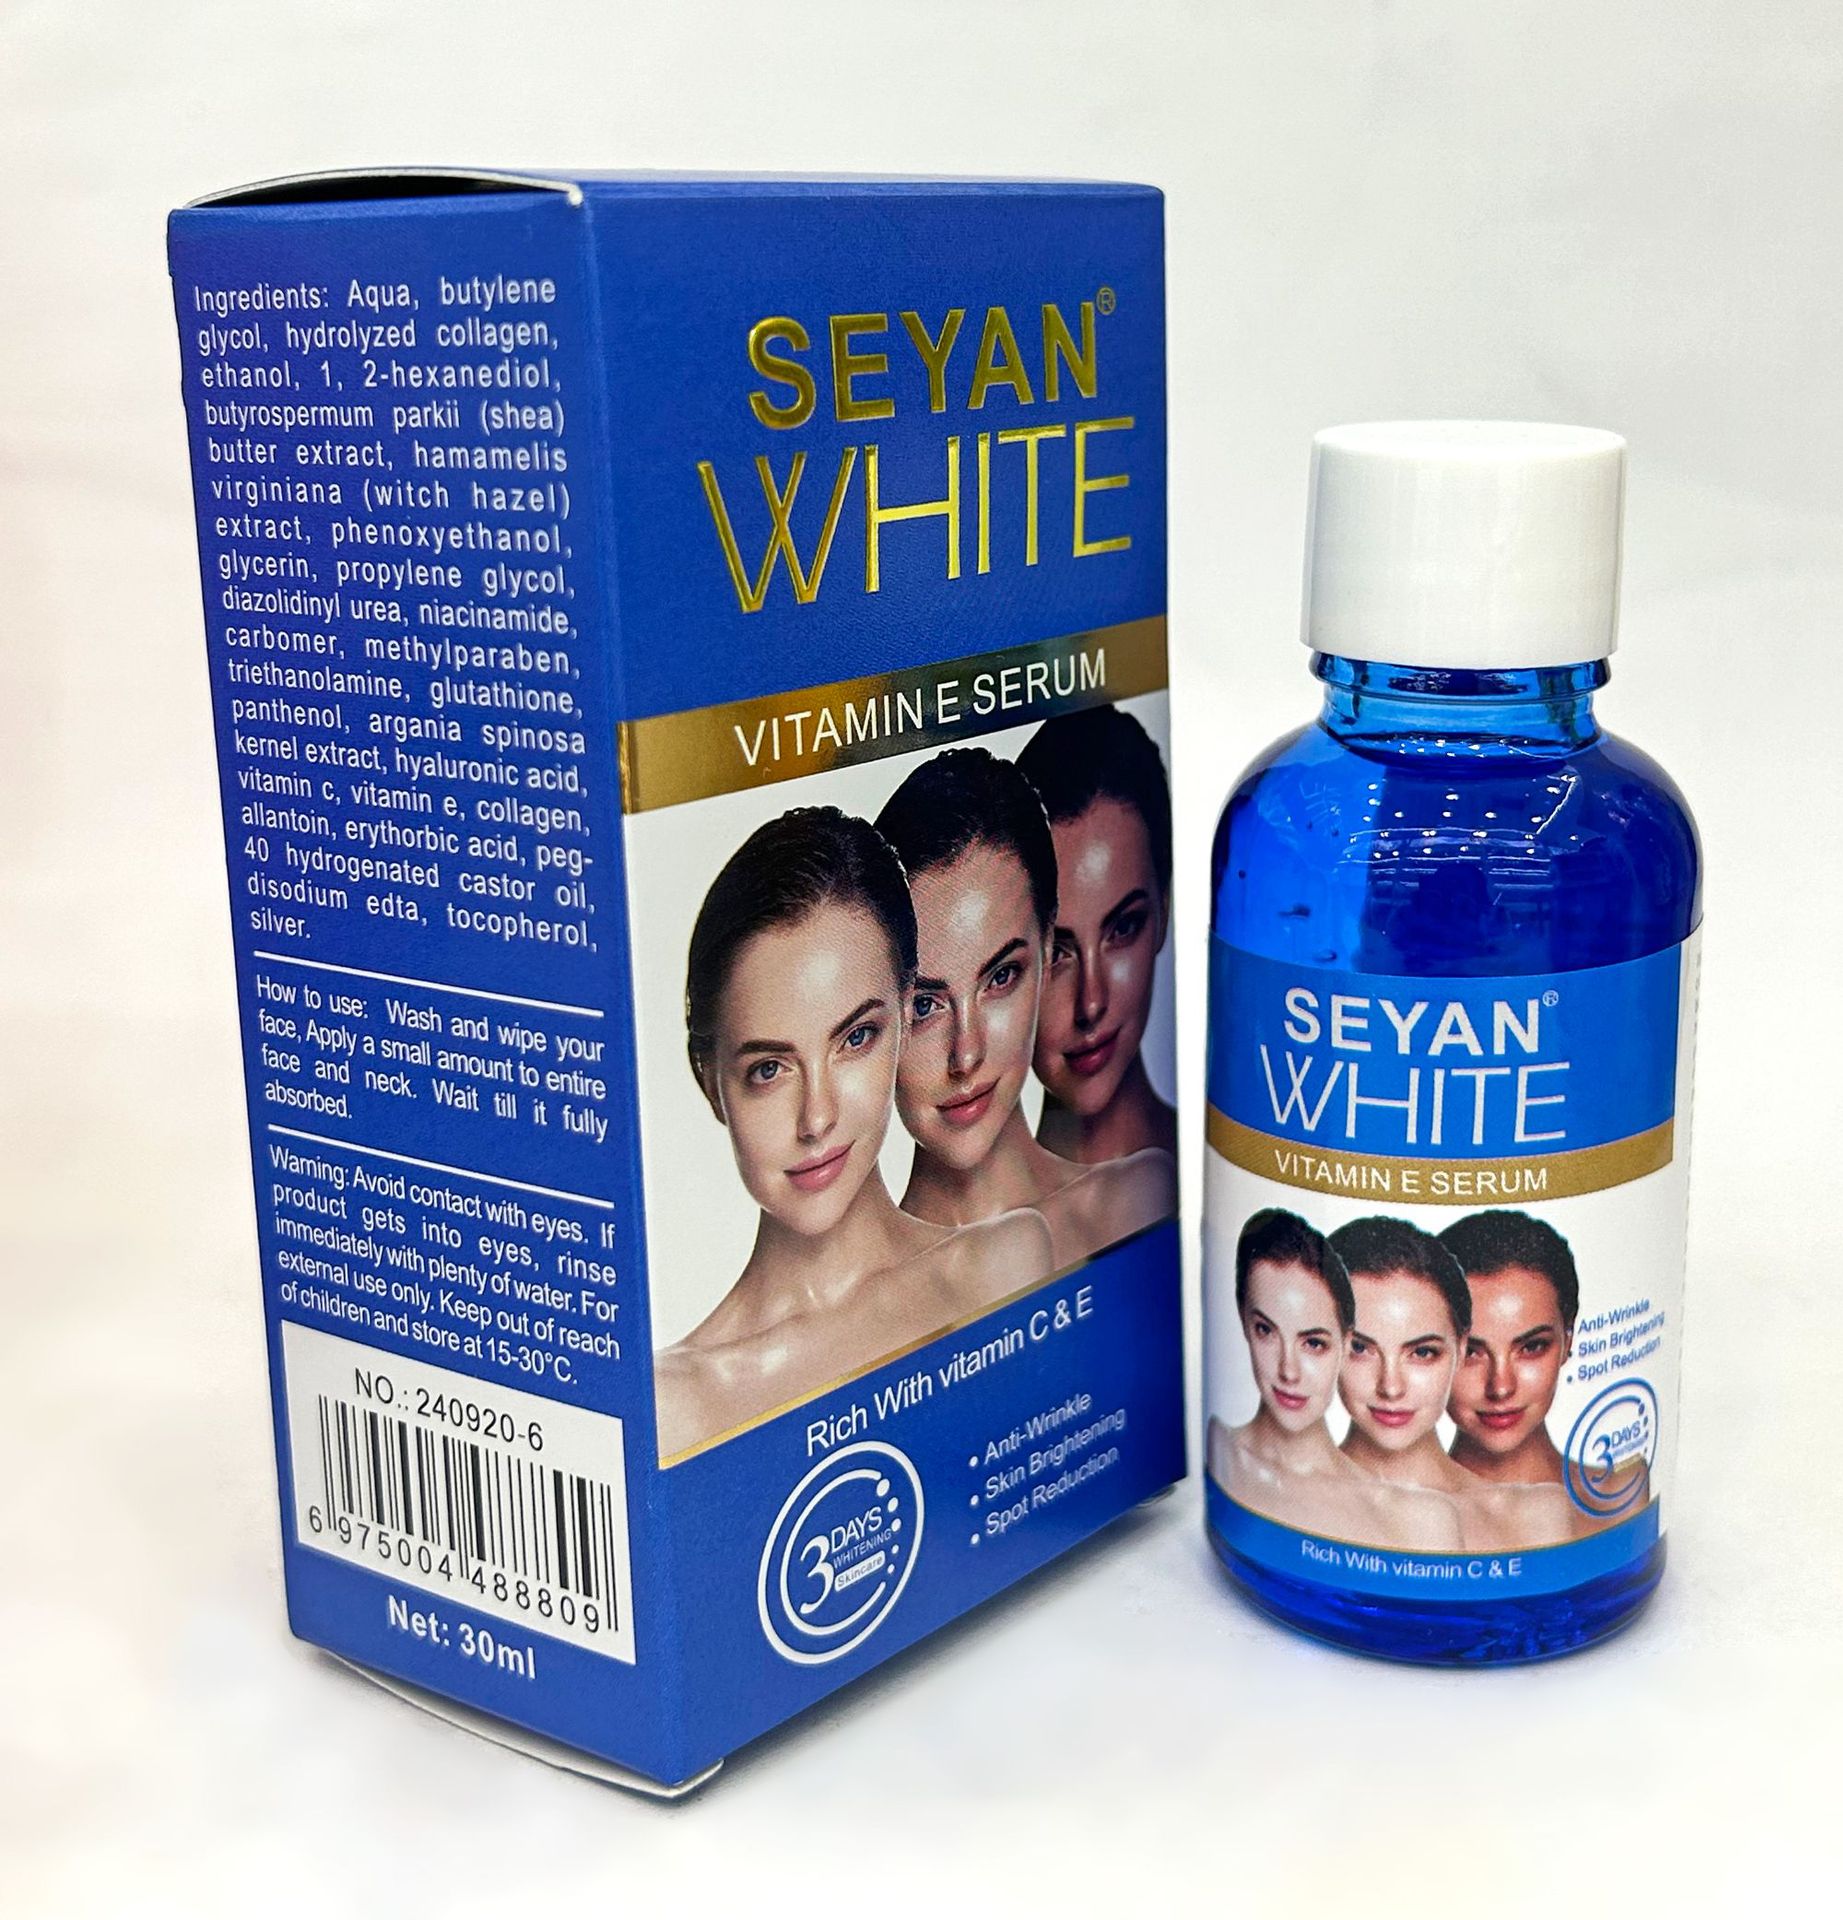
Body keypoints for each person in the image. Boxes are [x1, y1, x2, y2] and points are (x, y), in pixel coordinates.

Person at [655, 807, 1053, 1460]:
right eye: (769, 1069)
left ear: (903, 1019)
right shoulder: (675, 1404)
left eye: (856, 1038)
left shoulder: (1000, 1267)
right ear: (711, 1083)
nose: (817, 1119)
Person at [874, 749, 1176, 1269]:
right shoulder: (874, 1305)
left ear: (1044, 951)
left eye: (1000, 977)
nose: (966, 1055)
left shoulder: (1137, 1200)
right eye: (924, 1005)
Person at [1208, 1209, 1460, 1550]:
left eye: (1314, 1343)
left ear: (1344, 1342)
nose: (1288, 1371)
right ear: (1243, 1320)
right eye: (1265, 1330)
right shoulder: (1219, 1447)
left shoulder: (1419, 1518)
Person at [1332, 1216, 1575, 1552]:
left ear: (1456, 1351)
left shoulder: (1534, 1514)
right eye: (1360, 1348)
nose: (1391, 1387)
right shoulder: (1284, 1491)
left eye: (1422, 1352)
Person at [1015, 706, 1177, 1163]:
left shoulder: (1218, 1167)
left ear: (1164, 910)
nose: (1091, 1004)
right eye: (1055, 953)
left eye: (1123, 928)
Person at [1441, 1210, 1647, 1532]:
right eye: (1470, 1352)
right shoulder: (1398, 1518)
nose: (1501, 1387)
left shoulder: (1625, 1491)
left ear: (1568, 1341)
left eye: (1532, 1347)